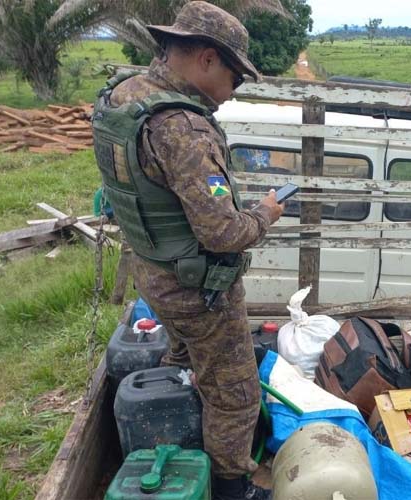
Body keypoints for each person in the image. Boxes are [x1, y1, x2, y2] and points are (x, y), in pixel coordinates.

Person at [92, 3, 282, 499]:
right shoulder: (186, 130)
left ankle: (180, 438)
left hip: (154, 274)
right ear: (205, 59)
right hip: (198, 290)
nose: (234, 90)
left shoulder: (125, 96)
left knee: (186, 358)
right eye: (235, 77)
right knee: (237, 396)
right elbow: (222, 232)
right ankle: (229, 485)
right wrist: (264, 214)